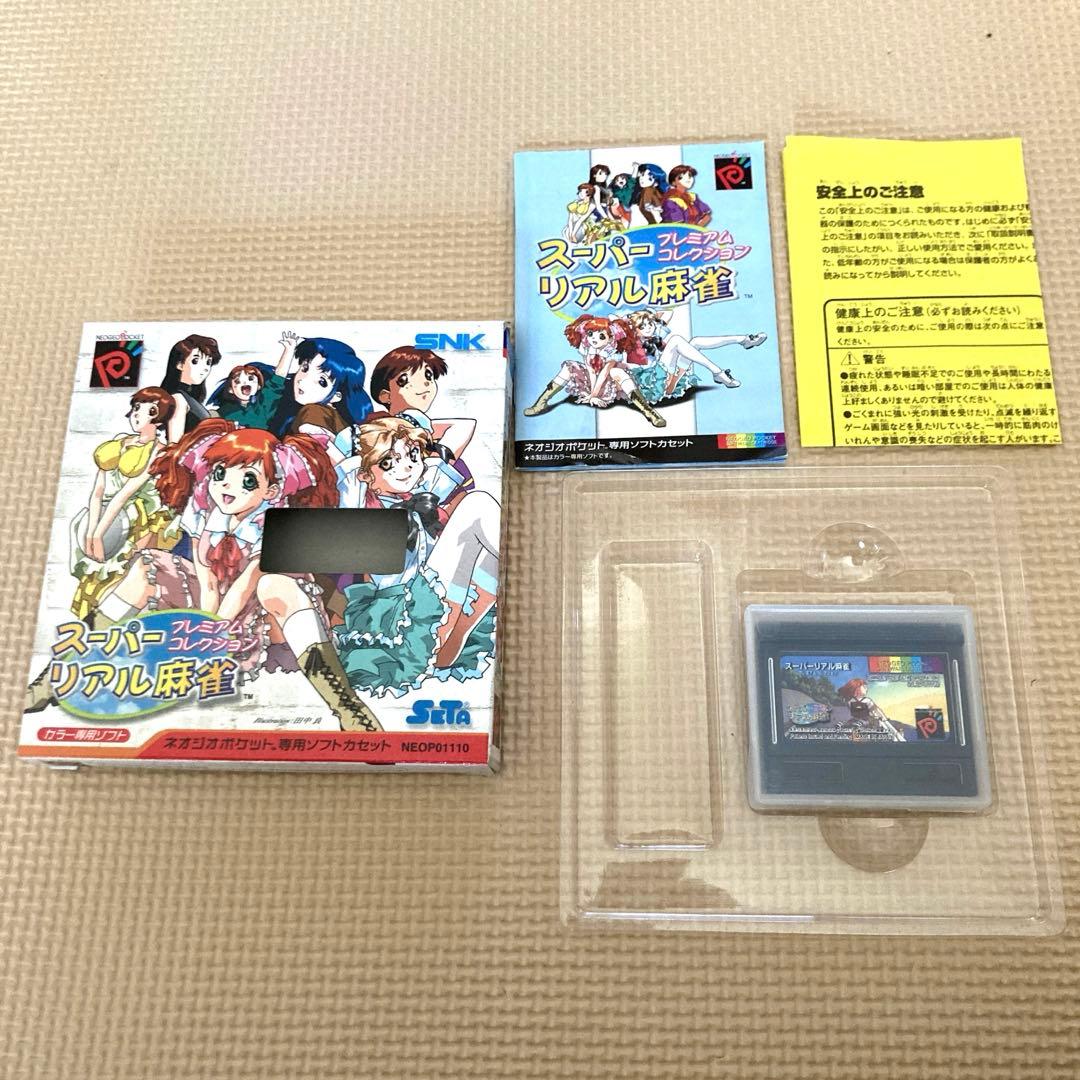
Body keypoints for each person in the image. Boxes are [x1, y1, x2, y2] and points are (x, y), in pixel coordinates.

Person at [57, 418, 381, 731]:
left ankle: (346, 705)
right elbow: (208, 582)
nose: (227, 485)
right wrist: (201, 629)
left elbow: (243, 589)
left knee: (274, 583)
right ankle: (65, 666)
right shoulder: (203, 510)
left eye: (248, 480)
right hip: (214, 606)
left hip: (262, 614)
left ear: (271, 490)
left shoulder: (275, 521)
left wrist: (209, 638)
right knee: (146, 565)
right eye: (220, 473)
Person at [334, 415, 500, 694]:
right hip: (401, 621)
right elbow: (343, 468)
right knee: (477, 507)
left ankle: (458, 638)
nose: (406, 467)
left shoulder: (427, 487)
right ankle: (534, 571)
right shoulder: (357, 497)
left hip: (442, 627)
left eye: (412, 455)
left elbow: (466, 426)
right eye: (389, 462)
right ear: (365, 473)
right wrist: (360, 440)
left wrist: (404, 426)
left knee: (488, 554)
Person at [69, 387, 180, 619]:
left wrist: (99, 532)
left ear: (159, 419)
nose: (138, 414)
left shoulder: (159, 451)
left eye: (150, 411)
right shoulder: (118, 443)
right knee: (93, 572)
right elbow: (98, 491)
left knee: (123, 572)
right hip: (107, 515)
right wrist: (91, 530)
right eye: (137, 407)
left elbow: (126, 493)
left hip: (140, 520)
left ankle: (109, 622)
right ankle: (86, 623)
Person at [521, 314, 665, 427]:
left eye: (601, 336)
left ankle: (648, 411)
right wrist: (591, 394)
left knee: (618, 372)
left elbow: (604, 373)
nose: (594, 339)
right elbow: (590, 369)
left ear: (611, 339)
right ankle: (541, 402)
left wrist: (595, 395)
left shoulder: (613, 352)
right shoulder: (587, 347)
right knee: (568, 367)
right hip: (591, 381)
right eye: (590, 334)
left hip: (608, 383)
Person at [208, 330, 299, 430]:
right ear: (231, 389)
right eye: (238, 381)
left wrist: (289, 350)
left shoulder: (264, 405)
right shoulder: (224, 411)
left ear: (259, 386)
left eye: (251, 379)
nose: (245, 382)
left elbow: (278, 379)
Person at [161, 333, 222, 440]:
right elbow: (174, 443)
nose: (205, 368)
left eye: (208, 362)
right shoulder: (178, 399)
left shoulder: (189, 397)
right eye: (195, 361)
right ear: (180, 364)